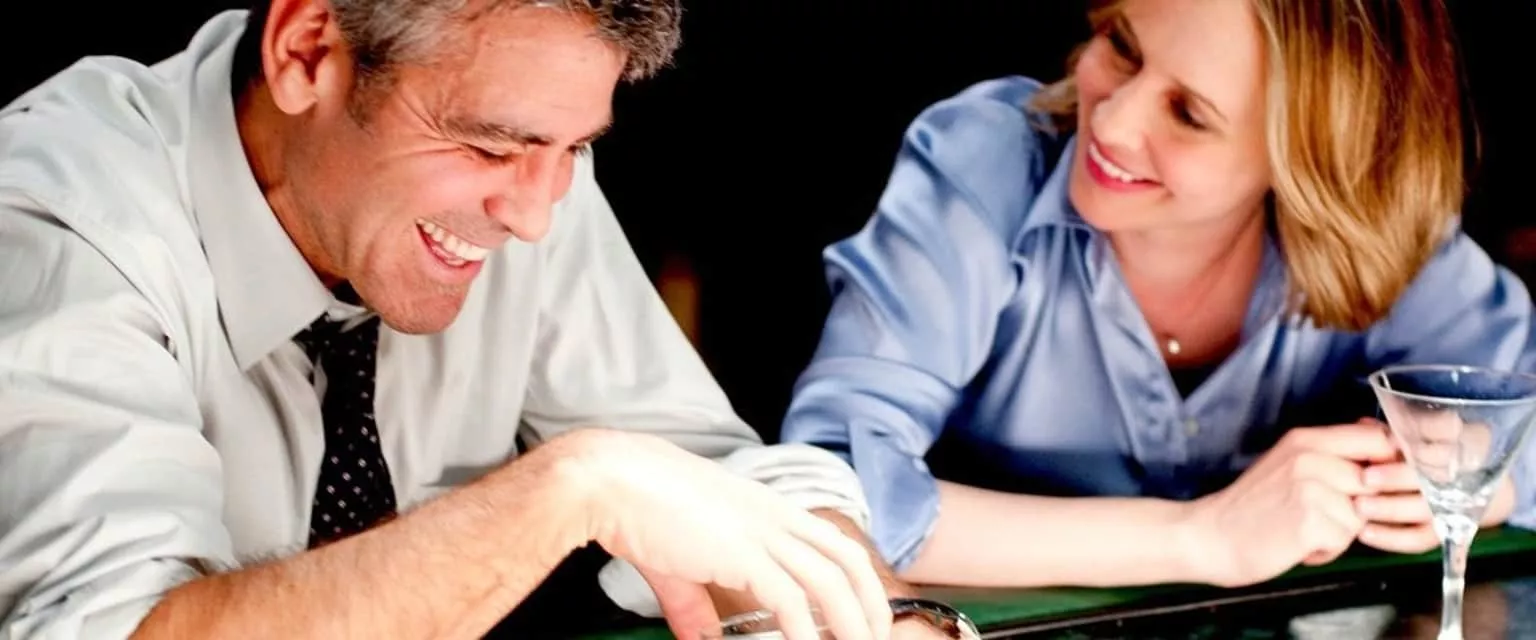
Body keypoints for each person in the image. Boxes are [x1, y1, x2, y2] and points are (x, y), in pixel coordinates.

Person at [0, 1, 953, 638]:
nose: (535, 216)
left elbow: (710, 481)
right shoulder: (57, 220)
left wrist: (883, 619)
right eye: (490, 146)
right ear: (307, 52)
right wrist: (566, 491)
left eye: (573, 149)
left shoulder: (528, 177)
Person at [781, 0, 1536, 589]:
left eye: (1189, 114)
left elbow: (1520, 420)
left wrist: (1476, 473)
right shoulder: (986, 162)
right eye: (1124, 47)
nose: (1111, 121)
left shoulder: (1382, 236)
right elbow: (828, 487)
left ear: (1314, 159)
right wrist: (1202, 537)